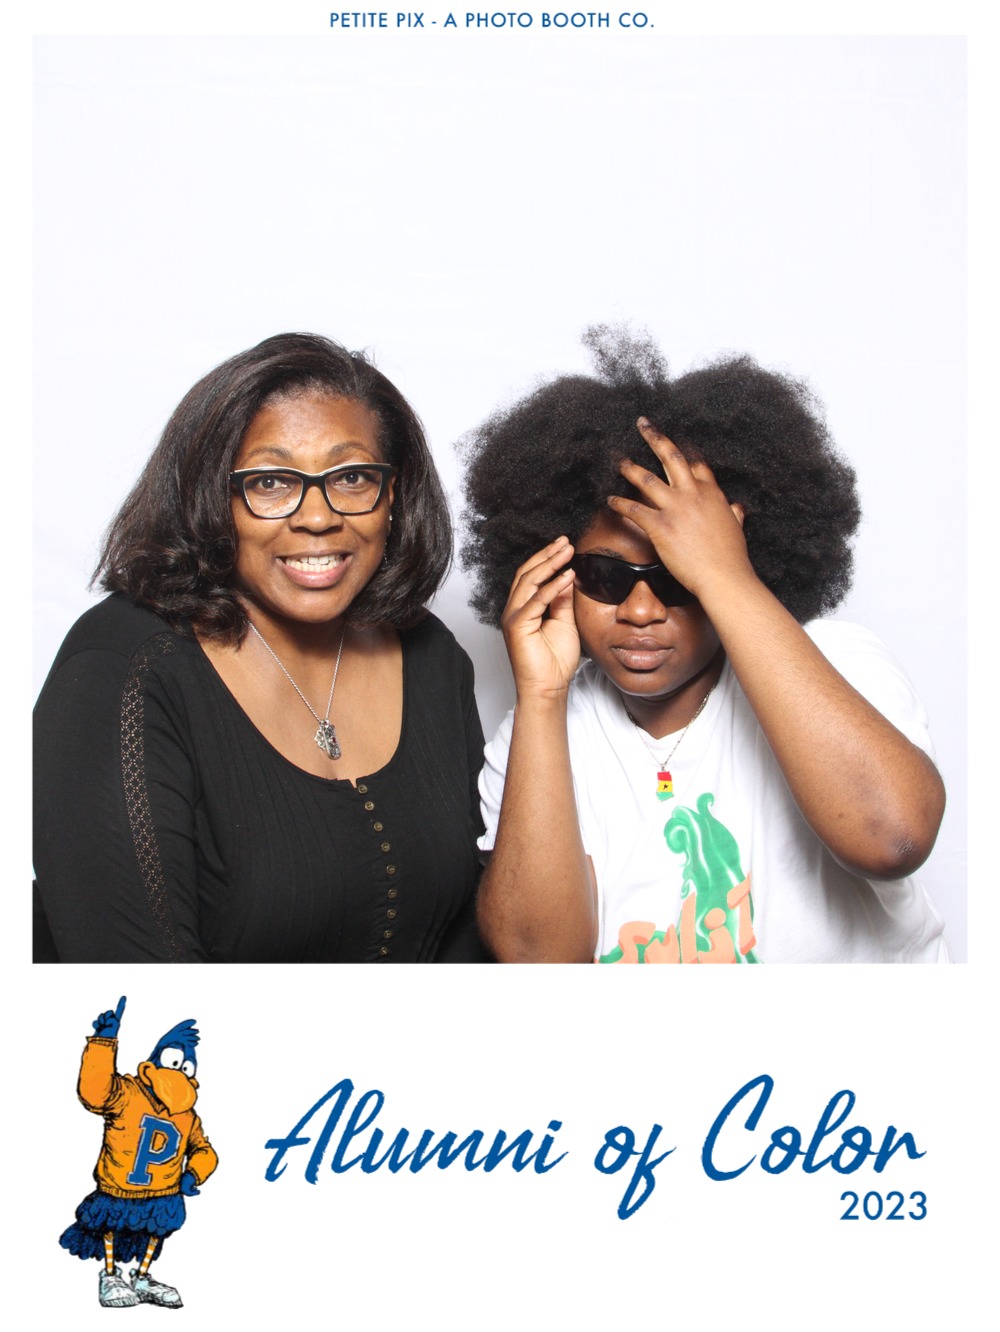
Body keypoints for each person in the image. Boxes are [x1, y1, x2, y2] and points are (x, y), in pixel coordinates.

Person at [461, 326, 948, 963]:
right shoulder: (537, 729)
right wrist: (542, 694)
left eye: (676, 577)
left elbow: (894, 839)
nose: (640, 611)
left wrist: (724, 576)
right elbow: (540, 961)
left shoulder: (836, 661)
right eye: (604, 576)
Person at [34, 332, 486, 962]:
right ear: (208, 499)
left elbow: (466, 940)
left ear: (394, 495)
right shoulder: (122, 671)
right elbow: (136, 992)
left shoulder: (429, 655)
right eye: (270, 482)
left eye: (352, 477)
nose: (318, 517)